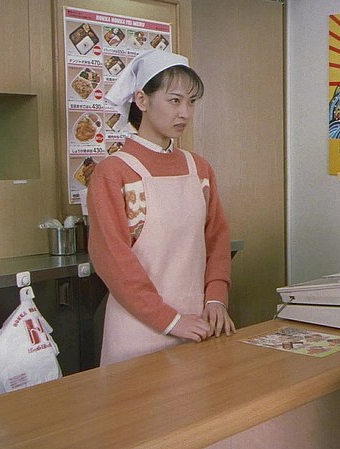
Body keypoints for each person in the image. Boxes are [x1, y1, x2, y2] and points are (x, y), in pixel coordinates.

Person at [87, 50, 236, 366]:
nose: (185, 113)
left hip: (198, 323)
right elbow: (113, 259)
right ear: (142, 100)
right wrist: (169, 319)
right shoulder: (113, 172)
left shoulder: (200, 169)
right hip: (138, 330)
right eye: (174, 101)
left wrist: (216, 299)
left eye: (192, 102)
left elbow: (217, 240)